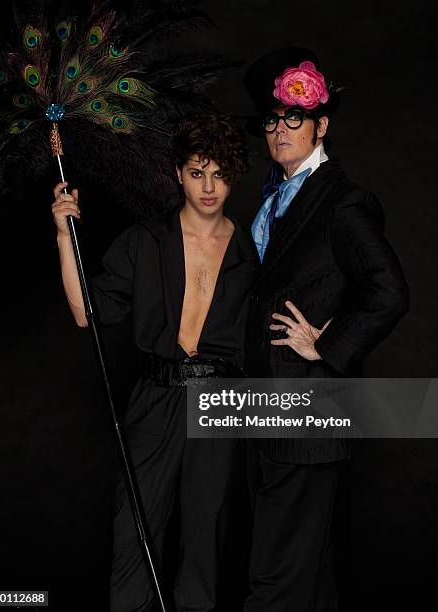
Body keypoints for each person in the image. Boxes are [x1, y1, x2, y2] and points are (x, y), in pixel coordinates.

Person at [51, 114, 256, 612]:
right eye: (196, 171)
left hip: (221, 400)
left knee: (206, 529)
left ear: (234, 176)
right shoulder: (144, 241)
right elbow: (87, 314)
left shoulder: (255, 249)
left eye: (219, 173)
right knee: (136, 524)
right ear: (177, 174)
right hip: (156, 394)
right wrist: (63, 235)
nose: (208, 186)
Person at [243, 47, 409, 611]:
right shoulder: (273, 197)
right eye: (271, 120)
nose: (279, 130)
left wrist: (327, 345)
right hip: (266, 408)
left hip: (306, 410)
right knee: (306, 573)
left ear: (321, 125)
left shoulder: (342, 202)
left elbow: (387, 291)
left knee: (276, 569)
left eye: (294, 118)